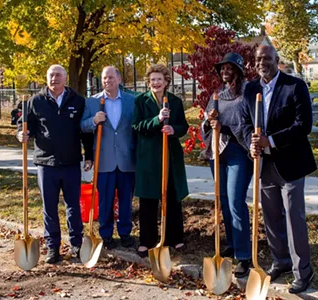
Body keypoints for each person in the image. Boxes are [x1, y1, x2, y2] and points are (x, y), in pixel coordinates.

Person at [240, 45, 317, 293]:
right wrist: (251, 144)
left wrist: (270, 141)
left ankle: (302, 271)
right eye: (258, 59)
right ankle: (281, 261)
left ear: (277, 60)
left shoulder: (294, 86)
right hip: (264, 165)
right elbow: (244, 122)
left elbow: (303, 125)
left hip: (291, 164)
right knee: (272, 218)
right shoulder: (251, 88)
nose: (262, 62)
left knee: (294, 219)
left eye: (267, 58)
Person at [17, 64, 93, 264]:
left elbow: (85, 131)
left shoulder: (77, 101)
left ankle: (76, 244)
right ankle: (53, 247)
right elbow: (25, 125)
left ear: (65, 78)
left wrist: (89, 155)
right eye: (51, 75)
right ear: (46, 78)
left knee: (73, 206)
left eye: (58, 75)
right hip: (45, 163)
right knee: (49, 206)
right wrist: (22, 134)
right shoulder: (35, 101)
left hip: (70, 162)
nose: (54, 79)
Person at [201, 53, 253, 278]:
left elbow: (250, 123)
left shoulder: (247, 93)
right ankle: (232, 242)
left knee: (235, 201)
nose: (224, 72)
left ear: (238, 70)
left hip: (239, 154)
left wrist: (224, 127)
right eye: (222, 69)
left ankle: (244, 255)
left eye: (229, 68)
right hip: (218, 153)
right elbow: (206, 124)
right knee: (223, 200)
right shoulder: (216, 95)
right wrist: (210, 121)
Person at [132, 64, 189, 258]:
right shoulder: (141, 100)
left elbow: (183, 126)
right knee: (148, 200)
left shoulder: (175, 101)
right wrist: (157, 120)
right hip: (149, 157)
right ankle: (146, 241)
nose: (156, 83)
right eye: (152, 80)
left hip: (170, 156)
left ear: (166, 82)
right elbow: (137, 125)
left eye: (159, 79)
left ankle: (175, 237)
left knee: (172, 197)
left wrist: (174, 130)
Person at [81, 66, 136, 249]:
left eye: (111, 77)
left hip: (126, 159)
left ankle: (125, 232)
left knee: (126, 199)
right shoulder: (92, 102)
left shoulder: (131, 101)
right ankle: (106, 234)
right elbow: (82, 127)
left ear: (119, 79)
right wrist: (94, 121)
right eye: (104, 78)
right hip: (104, 160)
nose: (107, 81)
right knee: (105, 199)